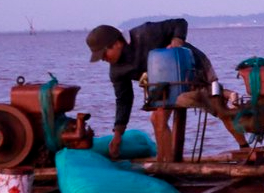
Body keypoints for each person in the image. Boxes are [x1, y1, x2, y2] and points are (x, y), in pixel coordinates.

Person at [86, 18, 247, 159]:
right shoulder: (117, 71)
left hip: (193, 66)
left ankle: (245, 147)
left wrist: (177, 41)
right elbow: (124, 100)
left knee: (219, 108)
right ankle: (166, 162)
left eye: (104, 54)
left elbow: (180, 23)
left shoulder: (145, 34)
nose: (103, 59)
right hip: (163, 84)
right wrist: (118, 134)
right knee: (157, 118)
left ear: (116, 43)